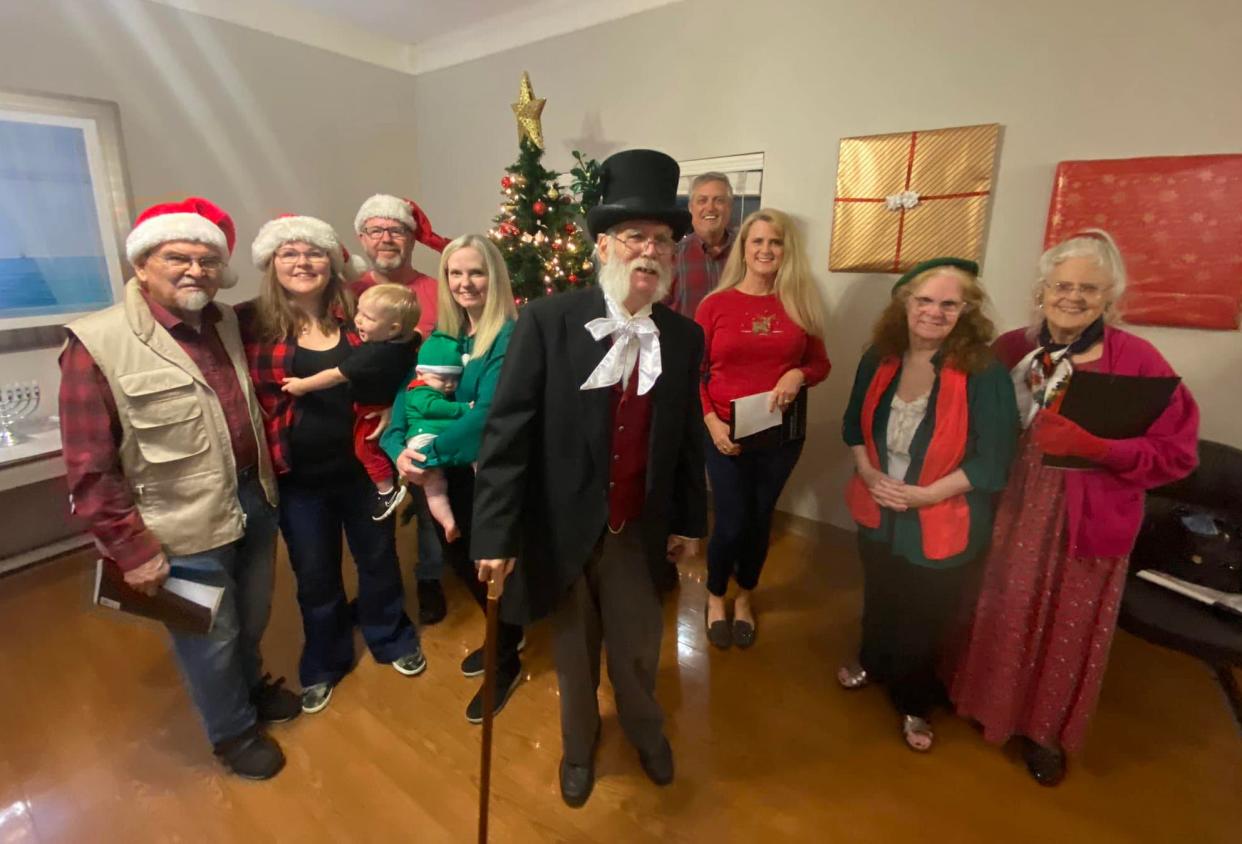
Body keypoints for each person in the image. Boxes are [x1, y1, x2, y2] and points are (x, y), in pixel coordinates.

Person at [470, 149, 707, 808]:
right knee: (573, 655)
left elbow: (686, 438)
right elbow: (507, 434)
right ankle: (578, 748)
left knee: (637, 648)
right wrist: (495, 534)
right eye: (636, 235)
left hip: (638, 527)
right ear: (603, 244)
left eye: (662, 238)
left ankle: (644, 729)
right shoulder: (547, 322)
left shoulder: (683, 339)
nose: (650, 249)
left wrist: (690, 522)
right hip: (562, 524)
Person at [948, 230, 1199, 785]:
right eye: (1062, 285)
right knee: (996, 605)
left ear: (1110, 298)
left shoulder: (1137, 360)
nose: (1073, 297)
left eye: (1089, 289)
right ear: (1042, 290)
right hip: (1009, 504)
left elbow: (1177, 455)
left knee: (1066, 623)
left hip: (1085, 517)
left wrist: (1099, 448)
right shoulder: (1012, 349)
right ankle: (982, 703)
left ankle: (1044, 732)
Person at [59, 197, 297, 779]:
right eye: (177, 258)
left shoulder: (226, 324)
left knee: (252, 615)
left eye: (208, 259)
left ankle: (249, 689)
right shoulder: (96, 345)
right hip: (179, 525)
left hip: (252, 499)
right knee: (208, 636)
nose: (195, 270)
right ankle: (233, 733)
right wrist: (130, 550)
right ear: (142, 265)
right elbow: (89, 467)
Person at [240, 214, 425, 716]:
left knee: (379, 559)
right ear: (272, 263)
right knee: (316, 575)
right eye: (289, 254)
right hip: (298, 478)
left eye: (314, 252)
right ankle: (325, 659)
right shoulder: (249, 323)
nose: (303, 263)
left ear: (333, 261)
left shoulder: (364, 315)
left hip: (364, 471)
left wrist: (397, 404)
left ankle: (390, 635)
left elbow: (408, 359)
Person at [839, 257, 1019, 753]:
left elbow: (995, 459)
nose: (934, 312)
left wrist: (926, 495)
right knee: (880, 593)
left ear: (966, 311)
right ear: (905, 302)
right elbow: (855, 424)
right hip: (876, 503)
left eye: (948, 303)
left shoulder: (984, 372)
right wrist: (870, 473)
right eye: (924, 300)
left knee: (926, 615)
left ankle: (914, 701)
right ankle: (872, 659)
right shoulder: (880, 355)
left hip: (943, 515)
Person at [384, 235, 524, 725]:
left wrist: (429, 455)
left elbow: (490, 415)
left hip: (484, 475)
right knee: (458, 559)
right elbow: (410, 392)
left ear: (495, 277)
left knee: (488, 569)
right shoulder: (443, 334)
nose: (465, 283)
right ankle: (503, 637)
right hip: (439, 470)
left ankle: (505, 659)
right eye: (454, 273)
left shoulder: (509, 336)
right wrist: (396, 447)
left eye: (476, 273)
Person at [696, 208, 830, 649]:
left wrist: (798, 376)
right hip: (724, 433)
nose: (766, 250)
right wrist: (712, 423)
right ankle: (716, 595)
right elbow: (694, 373)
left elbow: (819, 363)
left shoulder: (800, 302)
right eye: (757, 241)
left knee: (758, 520)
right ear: (744, 248)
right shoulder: (714, 305)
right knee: (731, 521)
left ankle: (745, 597)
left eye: (775, 242)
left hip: (780, 436)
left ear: (785, 250)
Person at [353, 193, 452, 624]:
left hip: (418, 418)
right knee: (374, 512)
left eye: (397, 230)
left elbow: (448, 356)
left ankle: (430, 577)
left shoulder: (437, 292)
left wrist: (403, 408)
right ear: (362, 239)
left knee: (429, 504)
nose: (387, 238)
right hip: (361, 422)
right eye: (377, 230)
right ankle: (380, 587)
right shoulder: (349, 292)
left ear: (412, 239)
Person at [279, 282, 419, 520]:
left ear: (394, 328)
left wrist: (301, 385)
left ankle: (386, 490)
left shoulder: (373, 354)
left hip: (371, 409)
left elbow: (335, 375)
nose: (359, 321)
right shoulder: (408, 340)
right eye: (360, 313)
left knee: (365, 448)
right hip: (382, 404)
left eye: (368, 318)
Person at [385, 330, 471, 540]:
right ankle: (448, 524)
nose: (450, 384)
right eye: (443, 377)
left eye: (454, 378)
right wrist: (400, 455)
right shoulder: (420, 382)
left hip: (475, 477)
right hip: (430, 459)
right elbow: (393, 431)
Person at [666, 171, 736, 317]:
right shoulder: (671, 255)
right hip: (686, 340)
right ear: (691, 208)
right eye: (702, 200)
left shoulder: (746, 254)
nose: (710, 208)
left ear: (729, 207)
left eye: (719, 200)